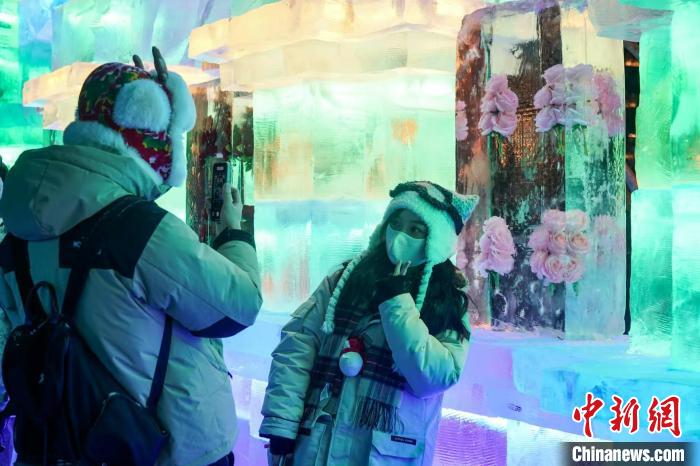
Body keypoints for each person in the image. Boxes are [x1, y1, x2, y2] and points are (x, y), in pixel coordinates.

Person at [0, 51, 262, 465]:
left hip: (58, 449)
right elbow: (238, 306)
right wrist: (235, 234)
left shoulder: (18, 232)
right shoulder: (139, 229)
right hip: (160, 450)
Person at [260, 181, 479, 465]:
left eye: (416, 229)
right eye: (395, 223)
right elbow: (298, 344)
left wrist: (397, 302)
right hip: (315, 447)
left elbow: (435, 377)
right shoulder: (345, 279)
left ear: (435, 240)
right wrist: (282, 422)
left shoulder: (448, 300)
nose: (400, 235)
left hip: (385, 455)